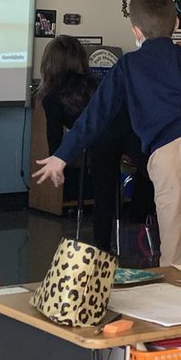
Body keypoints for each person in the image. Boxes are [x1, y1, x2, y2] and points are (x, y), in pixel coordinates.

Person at [33, 0, 181, 266]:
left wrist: (63, 154)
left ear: (136, 32)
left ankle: (175, 297)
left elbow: (95, 114)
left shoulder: (127, 66)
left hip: (163, 158)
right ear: (176, 24)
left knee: (173, 239)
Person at [37, 35, 153, 253]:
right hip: (129, 129)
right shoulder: (96, 83)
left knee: (104, 192)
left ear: (49, 63)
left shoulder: (51, 96)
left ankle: (102, 247)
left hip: (99, 139)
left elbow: (54, 136)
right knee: (153, 171)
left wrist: (59, 160)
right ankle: (141, 217)